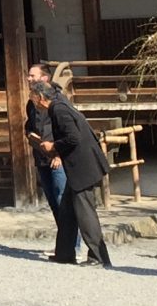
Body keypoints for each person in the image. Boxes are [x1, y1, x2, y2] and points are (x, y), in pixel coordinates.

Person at [42, 80, 112, 268]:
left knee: (85, 211)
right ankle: (65, 253)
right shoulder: (61, 104)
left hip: (82, 167)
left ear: (40, 98)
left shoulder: (59, 109)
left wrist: (53, 146)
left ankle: (98, 256)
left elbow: (73, 137)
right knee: (67, 210)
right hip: (80, 166)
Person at [25, 62, 79, 260]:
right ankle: (63, 245)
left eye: (32, 75)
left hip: (57, 156)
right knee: (54, 204)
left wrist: (58, 153)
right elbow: (30, 125)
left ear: (44, 78)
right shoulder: (31, 102)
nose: (29, 78)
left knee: (63, 201)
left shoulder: (58, 101)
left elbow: (65, 131)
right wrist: (30, 136)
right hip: (41, 155)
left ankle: (73, 246)